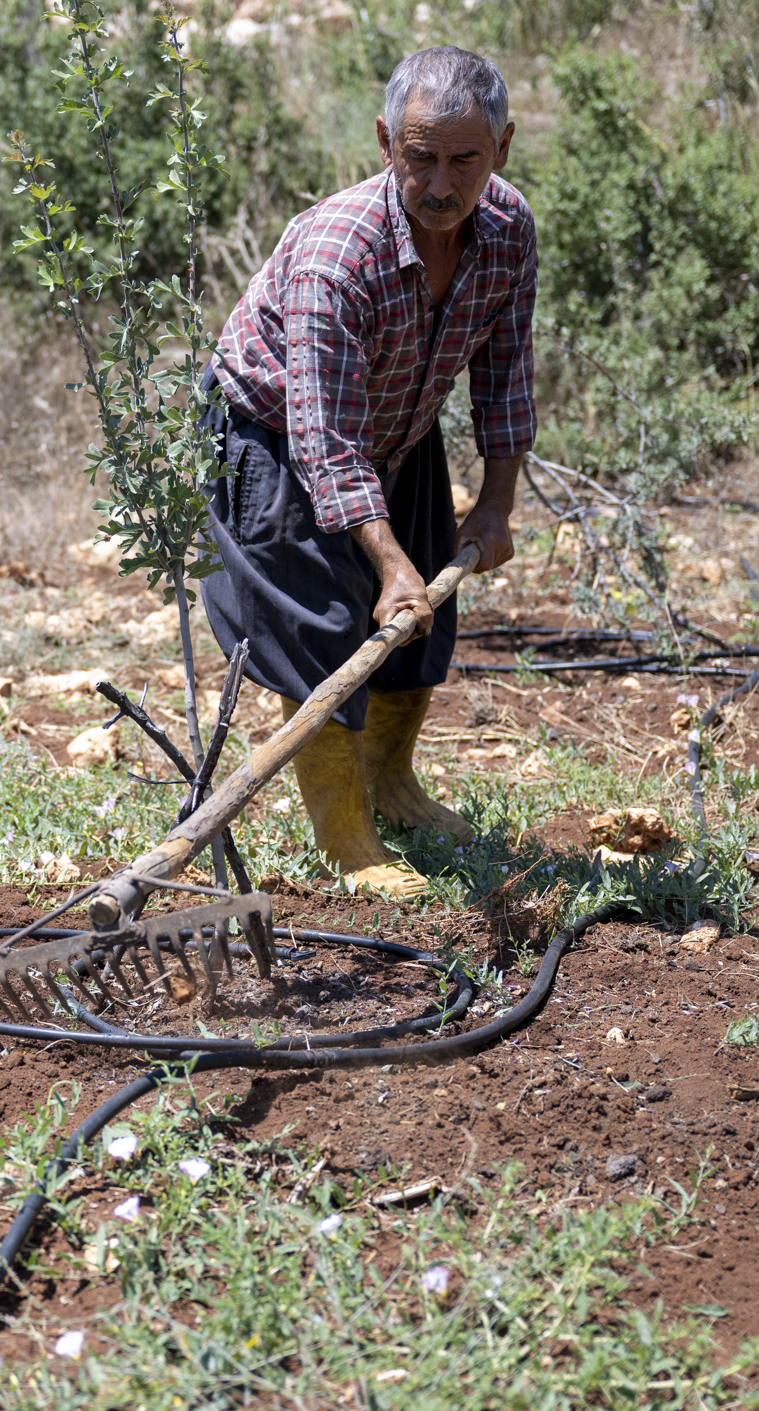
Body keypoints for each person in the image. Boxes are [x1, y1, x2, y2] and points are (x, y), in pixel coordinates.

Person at [202, 45, 534, 900]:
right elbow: (321, 438)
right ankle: (344, 835)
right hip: (272, 431)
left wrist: (495, 505)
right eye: (419, 155)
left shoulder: (506, 231)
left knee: (424, 621)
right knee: (320, 625)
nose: (439, 181)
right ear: (387, 142)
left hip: (401, 420)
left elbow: (504, 375)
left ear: (501, 148)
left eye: (464, 159)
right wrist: (387, 565)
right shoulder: (335, 252)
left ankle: (393, 786)